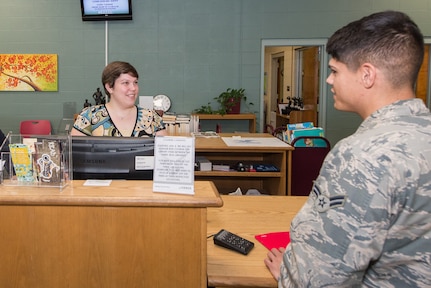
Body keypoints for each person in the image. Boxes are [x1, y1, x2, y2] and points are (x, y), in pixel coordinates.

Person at [264, 10, 431, 287]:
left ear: (367, 75)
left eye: (335, 71)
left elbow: (321, 277)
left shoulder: (361, 156)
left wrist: (290, 272)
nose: (329, 80)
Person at [71, 61, 167, 137]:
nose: (133, 88)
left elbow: (165, 156)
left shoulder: (153, 118)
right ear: (109, 87)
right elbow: (73, 155)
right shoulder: (89, 117)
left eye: (135, 82)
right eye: (126, 83)